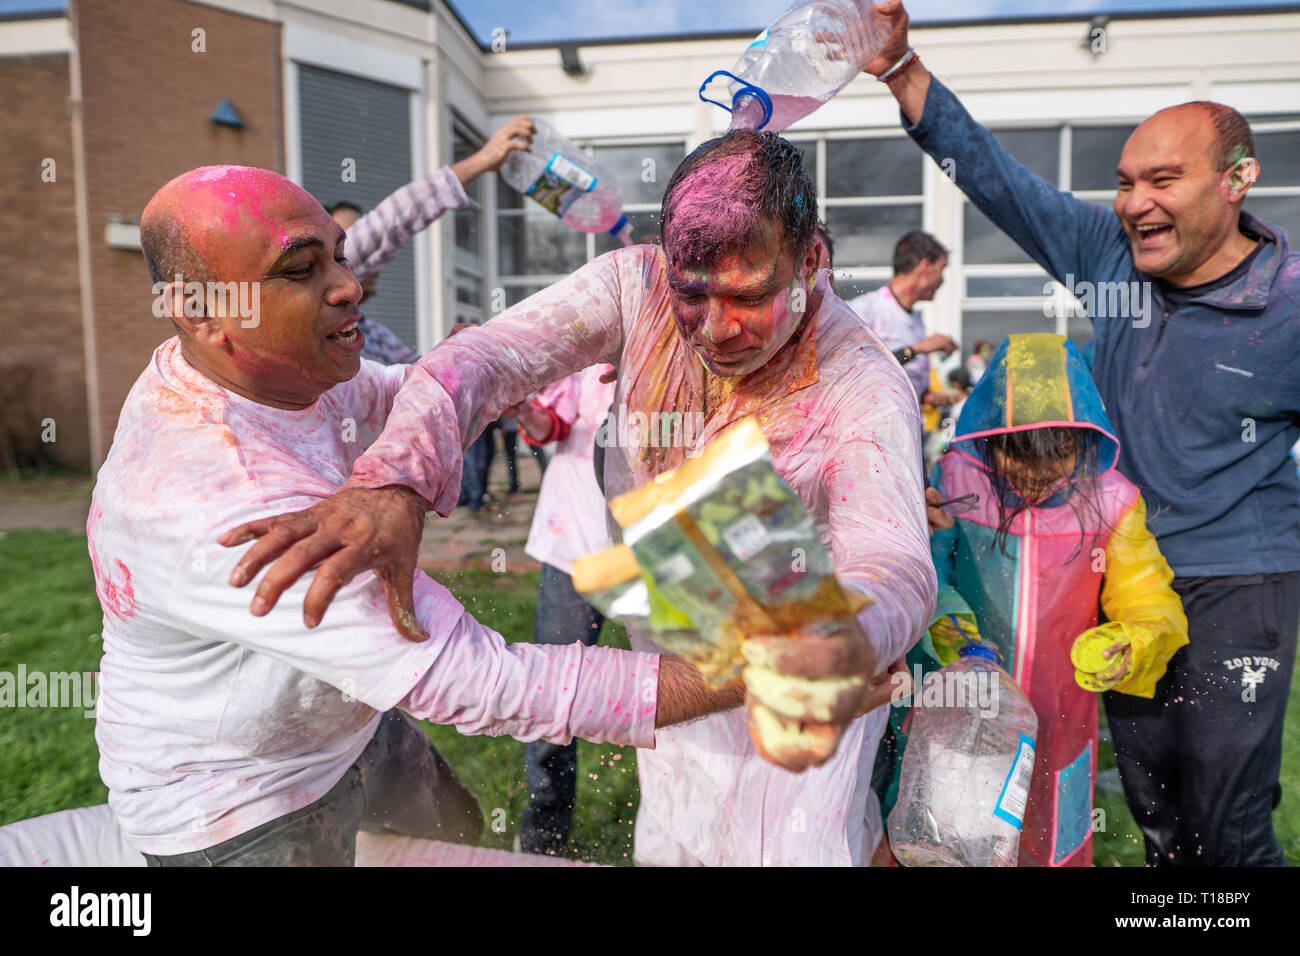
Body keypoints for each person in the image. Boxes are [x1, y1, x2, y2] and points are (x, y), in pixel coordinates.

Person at [219, 129, 937, 866]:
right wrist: (395, 478)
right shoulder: (637, 285)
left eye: (748, 296)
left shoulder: (862, 382)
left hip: (802, 682)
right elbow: (483, 357)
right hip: (678, 662)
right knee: (676, 838)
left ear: (811, 259)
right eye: (694, 294)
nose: (717, 329)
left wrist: (842, 639)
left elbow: (893, 560)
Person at [90, 164, 745, 866]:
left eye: (340, 255)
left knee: (459, 834)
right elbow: (486, 681)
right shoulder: (222, 507)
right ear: (201, 312)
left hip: (340, 718)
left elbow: (410, 392)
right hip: (234, 805)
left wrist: (550, 361)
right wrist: (751, 673)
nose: (348, 287)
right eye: (300, 271)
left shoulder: (274, 371)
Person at [872, 0, 1300, 865]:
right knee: (1156, 809)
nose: (1135, 202)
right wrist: (903, 75)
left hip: (1235, 580)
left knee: (1224, 818)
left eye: (1163, 180)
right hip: (1107, 566)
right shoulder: (1111, 250)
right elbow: (1000, 181)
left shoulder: (1289, 300)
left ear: (1237, 179)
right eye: (1125, 180)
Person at [892, 333, 1188, 866]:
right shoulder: (958, 482)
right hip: (967, 715)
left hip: (1059, 723)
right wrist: (955, 637)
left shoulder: (1113, 500)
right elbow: (927, 573)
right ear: (989, 437)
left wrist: (1134, 638)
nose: (1033, 474)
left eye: (1057, 457)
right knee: (956, 841)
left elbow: (1149, 599)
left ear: (1084, 440)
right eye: (1017, 453)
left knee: (1050, 843)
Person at [504, 363, 617, 855]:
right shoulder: (589, 353)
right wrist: (521, 409)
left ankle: (686, 833)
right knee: (554, 700)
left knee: (694, 692)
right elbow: (551, 425)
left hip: (662, 555)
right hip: (574, 548)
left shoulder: (693, 348)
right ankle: (542, 840)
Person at [847, 230, 957, 406]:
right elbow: (852, 372)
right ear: (925, 267)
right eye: (941, 269)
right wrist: (916, 349)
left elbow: (901, 383)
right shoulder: (866, 309)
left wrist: (928, 398)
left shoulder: (917, 321)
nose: (942, 280)